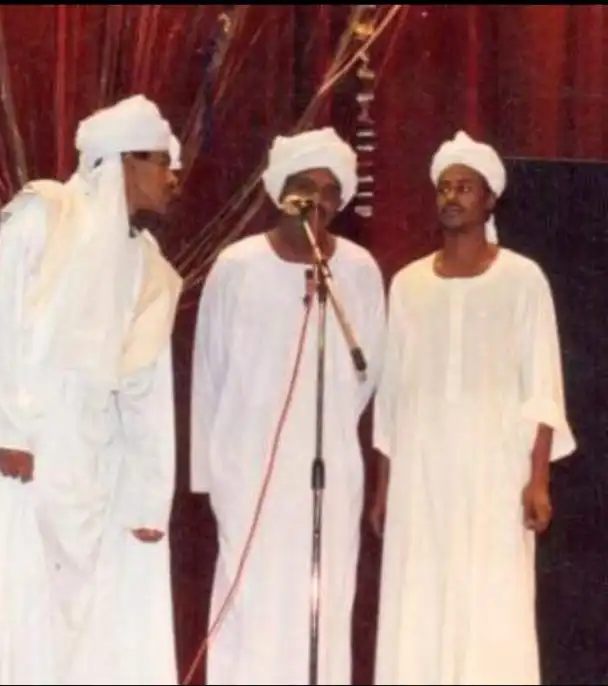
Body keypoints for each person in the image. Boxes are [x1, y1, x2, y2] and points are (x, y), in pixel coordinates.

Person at [0, 94, 182, 685]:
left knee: (73, 636)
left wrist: (145, 499)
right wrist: (10, 435)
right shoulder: (48, 213)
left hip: (88, 471)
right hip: (17, 454)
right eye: (163, 163)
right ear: (123, 161)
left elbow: (146, 394)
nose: (173, 179)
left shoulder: (153, 269)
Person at [370, 131, 576, 685]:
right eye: (444, 186)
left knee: (493, 605)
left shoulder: (522, 278)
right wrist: (385, 487)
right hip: (420, 476)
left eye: (465, 186)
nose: (452, 196)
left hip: (494, 473)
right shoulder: (408, 284)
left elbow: (542, 387)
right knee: (419, 603)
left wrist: (538, 481)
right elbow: (392, 397)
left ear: (489, 200)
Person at [190, 126, 386, 685]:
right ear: (281, 194)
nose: (318, 200)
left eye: (330, 190)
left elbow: (367, 370)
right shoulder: (236, 265)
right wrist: (212, 476)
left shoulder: (359, 270)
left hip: (328, 472)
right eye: (305, 186)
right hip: (248, 470)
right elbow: (209, 373)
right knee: (250, 604)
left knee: (323, 603)